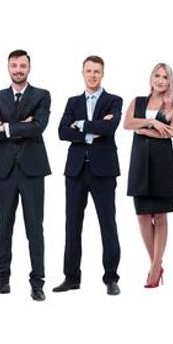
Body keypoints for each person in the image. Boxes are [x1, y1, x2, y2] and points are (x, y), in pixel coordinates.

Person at [0, 49, 50, 301]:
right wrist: (22, 125)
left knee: (35, 227)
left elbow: (39, 127)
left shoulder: (42, 95)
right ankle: (2, 280)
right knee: (4, 226)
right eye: (14, 66)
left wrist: (6, 126)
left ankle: (37, 282)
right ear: (8, 68)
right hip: (4, 168)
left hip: (32, 169)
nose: (18, 70)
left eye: (22, 66)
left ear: (29, 68)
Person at [54, 56, 124, 296]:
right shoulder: (73, 102)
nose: (92, 75)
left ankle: (111, 277)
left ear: (102, 74)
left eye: (97, 71)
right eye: (88, 71)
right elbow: (62, 132)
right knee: (72, 224)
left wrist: (82, 124)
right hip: (75, 170)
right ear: (82, 73)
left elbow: (110, 128)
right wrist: (94, 128)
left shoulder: (114, 100)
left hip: (103, 170)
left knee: (108, 223)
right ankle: (71, 277)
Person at [124, 63, 173, 288]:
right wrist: (152, 122)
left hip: (162, 164)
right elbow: (127, 123)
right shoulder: (137, 102)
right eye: (157, 76)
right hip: (139, 163)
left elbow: (172, 133)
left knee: (160, 216)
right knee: (142, 217)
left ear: (170, 82)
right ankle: (156, 264)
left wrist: (144, 130)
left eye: (165, 77)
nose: (160, 80)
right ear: (151, 78)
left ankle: (155, 268)